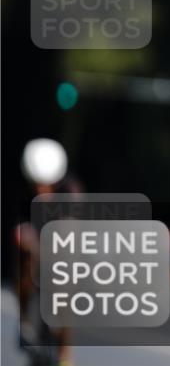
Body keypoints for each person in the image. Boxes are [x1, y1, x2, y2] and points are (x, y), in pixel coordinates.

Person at [16, 138, 75, 366]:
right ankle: (25, 320)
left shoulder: (70, 191)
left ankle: (65, 353)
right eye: (37, 184)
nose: (41, 190)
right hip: (35, 243)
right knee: (25, 256)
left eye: (46, 185)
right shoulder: (21, 192)